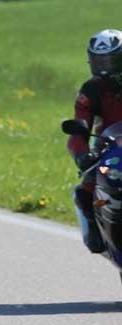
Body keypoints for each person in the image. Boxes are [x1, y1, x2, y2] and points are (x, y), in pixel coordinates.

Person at [68, 29, 122, 253]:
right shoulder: (91, 89)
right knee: (86, 188)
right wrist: (82, 155)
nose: (104, 67)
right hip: (109, 150)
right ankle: (94, 228)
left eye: (111, 60)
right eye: (99, 60)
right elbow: (78, 129)